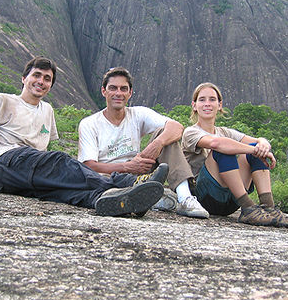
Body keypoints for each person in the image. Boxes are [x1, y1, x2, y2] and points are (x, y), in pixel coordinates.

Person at [0, 57, 168, 217]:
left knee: (64, 191)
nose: (41, 81)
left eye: (47, 79)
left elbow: (42, 153)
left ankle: (110, 201)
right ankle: (126, 184)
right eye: (37, 75)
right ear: (24, 78)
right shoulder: (2, 100)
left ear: (51, 85)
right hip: (4, 164)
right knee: (60, 161)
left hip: (27, 171)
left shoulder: (47, 110)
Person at [78, 67, 209, 219]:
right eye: (113, 88)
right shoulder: (90, 123)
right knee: (109, 192)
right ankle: (151, 197)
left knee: (166, 135)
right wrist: (126, 166)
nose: (118, 93)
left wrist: (157, 144)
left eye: (123, 89)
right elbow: (88, 166)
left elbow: (176, 127)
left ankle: (185, 198)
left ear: (130, 93)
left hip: (140, 173)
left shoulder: (138, 114)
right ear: (104, 91)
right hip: (107, 178)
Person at [181, 82, 288, 227]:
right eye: (202, 100)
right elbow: (217, 144)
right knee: (224, 147)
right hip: (206, 198)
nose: (207, 104)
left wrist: (264, 144)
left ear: (220, 105)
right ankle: (247, 207)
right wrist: (255, 150)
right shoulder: (190, 132)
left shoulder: (225, 132)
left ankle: (269, 207)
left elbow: (258, 141)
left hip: (231, 201)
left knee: (251, 147)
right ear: (194, 105)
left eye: (212, 99)